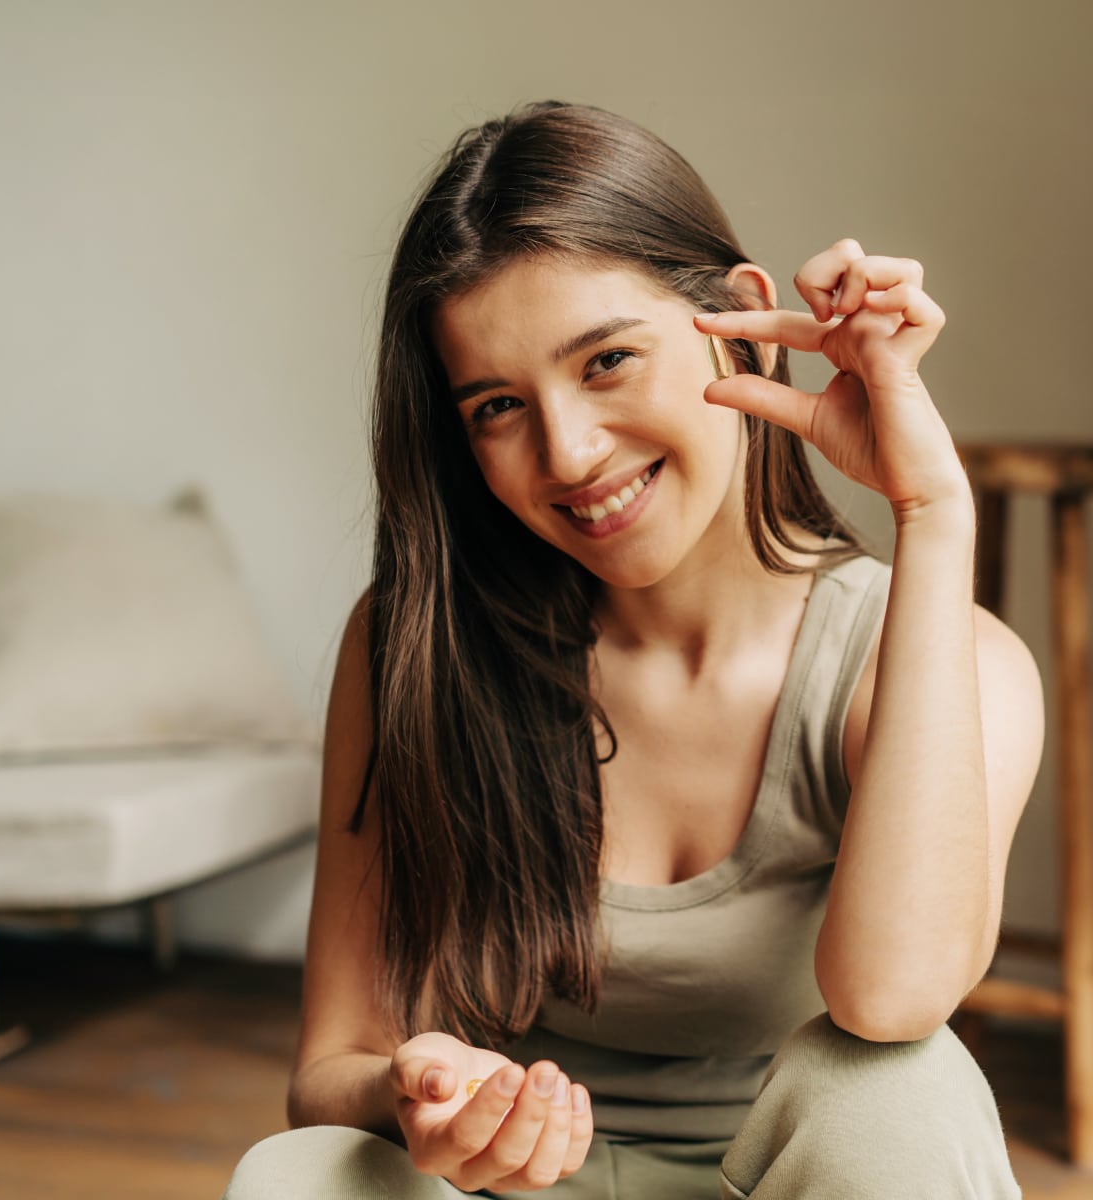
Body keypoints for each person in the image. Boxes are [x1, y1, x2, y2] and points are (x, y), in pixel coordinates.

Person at [224, 101, 1043, 1199]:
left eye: (607, 359)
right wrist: (415, 1096)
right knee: (305, 1176)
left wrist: (933, 508)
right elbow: (330, 1069)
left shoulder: (940, 664)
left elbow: (893, 1003)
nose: (568, 452)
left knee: (898, 1087)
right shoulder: (416, 645)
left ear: (742, 320)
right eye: (498, 406)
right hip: (519, 1188)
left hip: (785, 1182)